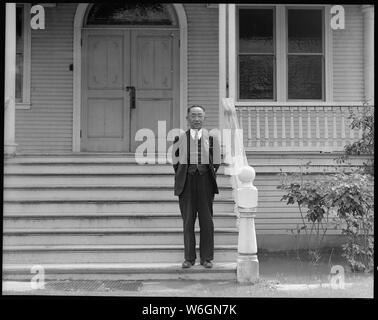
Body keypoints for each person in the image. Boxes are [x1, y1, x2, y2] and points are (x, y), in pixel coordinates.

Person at [172, 105, 221, 269]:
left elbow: (217, 161)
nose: (196, 119)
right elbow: (176, 162)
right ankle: (189, 258)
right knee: (188, 222)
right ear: (188, 118)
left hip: (205, 181)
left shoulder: (212, 139)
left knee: (207, 221)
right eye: (193, 115)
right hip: (186, 183)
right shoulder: (179, 139)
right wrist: (184, 174)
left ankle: (207, 258)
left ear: (204, 118)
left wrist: (206, 173)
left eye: (199, 115)